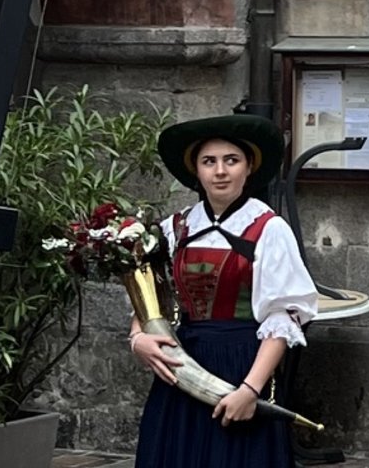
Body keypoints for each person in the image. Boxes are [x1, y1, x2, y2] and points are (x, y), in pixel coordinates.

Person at [134, 115, 317, 468]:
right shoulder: (176, 227)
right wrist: (137, 338)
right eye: (209, 161)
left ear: (248, 168)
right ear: (197, 172)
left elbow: (283, 317)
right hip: (182, 368)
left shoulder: (269, 229)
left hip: (241, 364)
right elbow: (150, 297)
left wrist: (250, 391)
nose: (220, 171)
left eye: (231, 161)